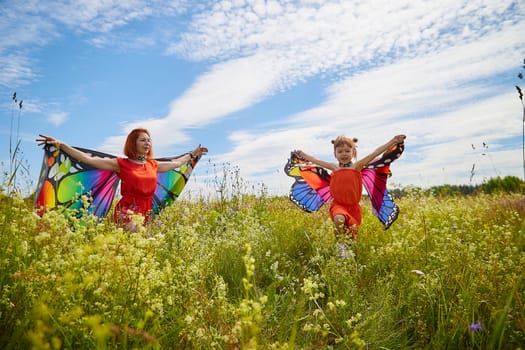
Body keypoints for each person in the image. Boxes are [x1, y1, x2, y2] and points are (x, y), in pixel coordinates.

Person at [36, 128, 208, 230]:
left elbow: (177, 163)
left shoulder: (153, 165)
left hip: (147, 211)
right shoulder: (120, 164)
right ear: (133, 143)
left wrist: (193, 154)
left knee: (139, 252)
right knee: (140, 240)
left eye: (149, 141)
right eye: (143, 140)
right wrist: (62, 145)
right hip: (128, 211)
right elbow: (88, 159)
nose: (147, 143)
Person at [295, 134, 406, 240]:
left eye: (347, 151)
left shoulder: (356, 167)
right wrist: (302, 154)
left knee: (351, 238)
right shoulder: (334, 167)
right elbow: (316, 161)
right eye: (340, 151)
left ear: (353, 153)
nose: (344, 154)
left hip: (354, 208)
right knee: (339, 219)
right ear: (335, 154)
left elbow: (375, 153)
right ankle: (339, 246)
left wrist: (394, 141)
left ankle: (348, 251)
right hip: (338, 205)